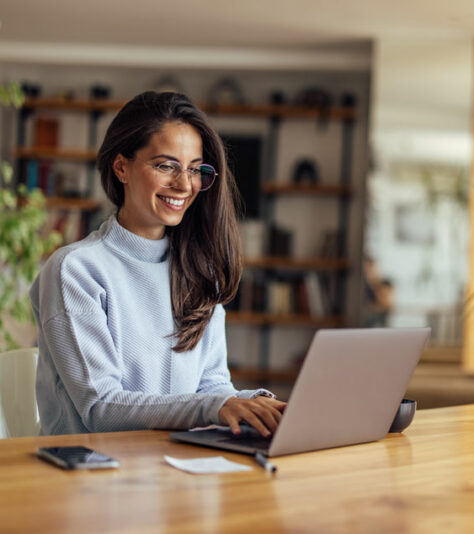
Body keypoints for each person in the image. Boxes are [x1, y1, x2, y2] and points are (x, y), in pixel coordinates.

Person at [30, 91, 286, 437]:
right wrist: (214, 407)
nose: (184, 184)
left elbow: (211, 386)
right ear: (121, 167)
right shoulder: (75, 270)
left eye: (195, 169)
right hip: (91, 473)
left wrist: (258, 406)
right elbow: (100, 408)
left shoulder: (199, 274)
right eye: (166, 165)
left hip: (176, 466)